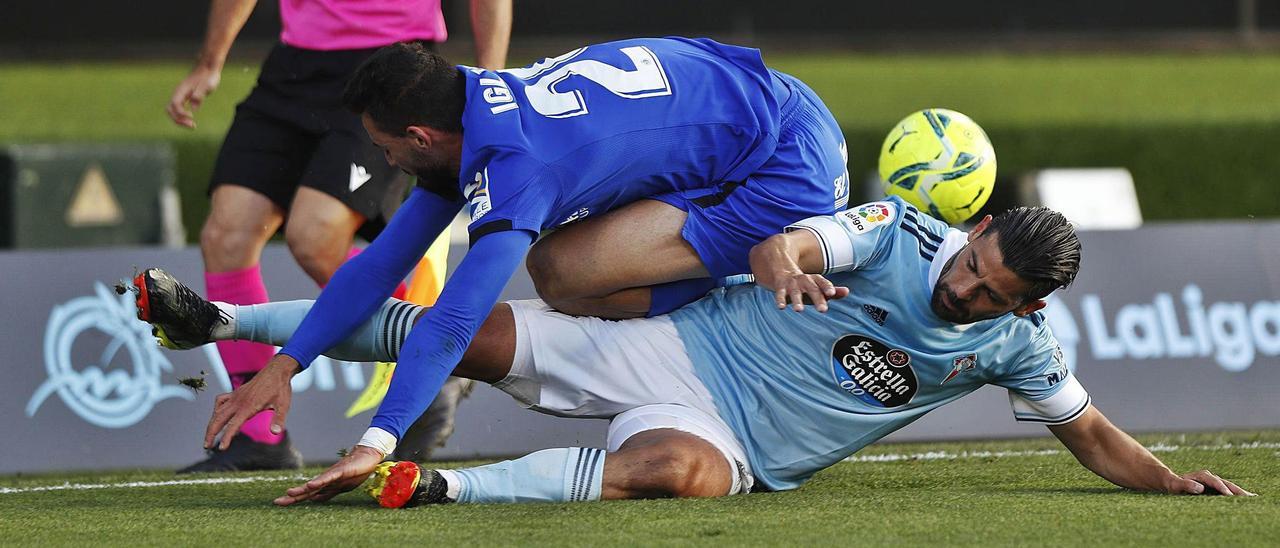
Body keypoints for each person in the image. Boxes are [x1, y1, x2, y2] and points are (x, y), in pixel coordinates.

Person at [128, 199, 1252, 506]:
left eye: (984, 287)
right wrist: (793, 258)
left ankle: (422, 487)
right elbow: (797, 237)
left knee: (666, 476)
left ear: (1019, 303)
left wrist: (1168, 478)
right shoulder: (903, 232)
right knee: (465, 332)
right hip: (670, 345)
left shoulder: (1016, 343)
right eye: (971, 257)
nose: (961, 280)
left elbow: (1088, 429)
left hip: (734, 442)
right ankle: (218, 322)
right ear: (974, 229)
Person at [194, 36, 854, 468]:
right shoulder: (466, 96)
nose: (383, 160)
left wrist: (378, 440)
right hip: (763, 105)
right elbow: (379, 264)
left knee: (561, 272)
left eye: (384, 147)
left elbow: (453, 321)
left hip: (785, 170)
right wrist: (286, 364)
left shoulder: (515, 166)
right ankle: (704, 277)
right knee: (566, 267)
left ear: (421, 137)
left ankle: (721, 300)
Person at [165, 0, 511, 472]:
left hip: (391, 69)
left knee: (314, 236)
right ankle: (256, 437)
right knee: (226, 235)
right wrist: (210, 61)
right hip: (294, 65)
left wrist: (485, 87)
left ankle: (434, 351)